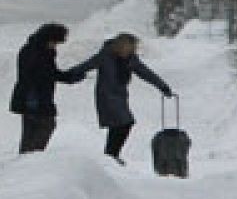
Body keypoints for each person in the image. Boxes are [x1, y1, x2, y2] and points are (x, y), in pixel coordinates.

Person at [65, 32, 173, 164]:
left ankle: (111, 154)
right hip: (106, 96)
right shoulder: (105, 56)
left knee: (121, 124)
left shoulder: (131, 59)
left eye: (133, 48)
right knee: (123, 122)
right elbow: (86, 65)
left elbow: (145, 73)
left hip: (120, 95)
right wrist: (67, 75)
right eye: (130, 47)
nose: (132, 50)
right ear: (121, 46)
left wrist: (163, 86)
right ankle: (111, 154)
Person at [9, 22, 85, 154]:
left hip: (32, 97)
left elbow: (48, 73)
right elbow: (45, 74)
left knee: (31, 132)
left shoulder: (36, 50)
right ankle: (31, 160)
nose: (55, 45)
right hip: (34, 98)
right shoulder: (37, 53)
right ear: (49, 39)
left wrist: (68, 76)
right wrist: (69, 77)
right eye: (55, 42)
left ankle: (25, 162)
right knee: (45, 126)